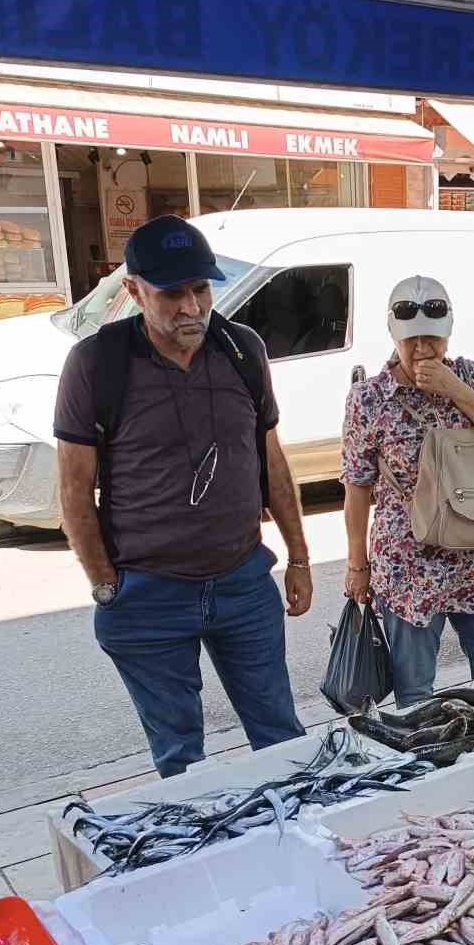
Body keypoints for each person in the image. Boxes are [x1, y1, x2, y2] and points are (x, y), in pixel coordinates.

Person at [55, 216, 312, 779]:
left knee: (282, 738)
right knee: (181, 760)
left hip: (242, 582)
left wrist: (298, 556)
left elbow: (271, 459)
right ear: (133, 290)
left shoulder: (242, 349)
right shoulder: (97, 363)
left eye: (201, 289)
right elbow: (74, 490)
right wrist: (105, 583)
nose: (192, 307)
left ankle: (301, 849)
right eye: (172, 294)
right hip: (148, 593)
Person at [341, 277, 474, 704]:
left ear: (448, 334)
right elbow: (356, 484)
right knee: (415, 695)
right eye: (412, 340)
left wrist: (454, 390)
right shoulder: (369, 399)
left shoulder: (471, 378)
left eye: (433, 339)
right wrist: (356, 565)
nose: (423, 349)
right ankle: (424, 767)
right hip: (408, 566)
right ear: (393, 335)